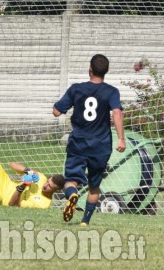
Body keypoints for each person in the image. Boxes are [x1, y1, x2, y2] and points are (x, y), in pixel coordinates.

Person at [53, 53, 125, 225]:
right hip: (101, 145)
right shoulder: (111, 92)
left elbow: (56, 111)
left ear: (90, 70)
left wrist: (63, 107)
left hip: (78, 142)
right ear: (106, 71)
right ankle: (85, 221)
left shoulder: (76, 89)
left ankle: (72, 195)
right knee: (94, 185)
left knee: (70, 180)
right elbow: (117, 112)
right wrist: (121, 138)